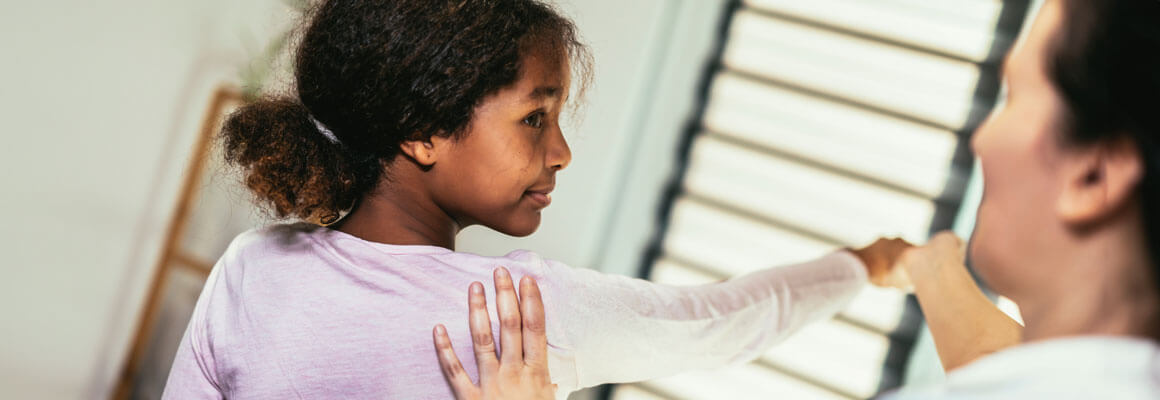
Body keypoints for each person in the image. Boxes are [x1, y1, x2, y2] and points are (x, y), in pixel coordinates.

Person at [161, 1, 916, 398]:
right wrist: (866, 264)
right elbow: (723, 324)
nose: (560, 153)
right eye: (534, 118)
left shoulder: (252, 268)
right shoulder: (514, 317)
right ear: (424, 130)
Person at [433, 0, 1160, 398]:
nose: (981, 140)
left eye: (1016, 97)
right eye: (535, 119)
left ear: (1095, 176)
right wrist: (916, 270)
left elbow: (713, 321)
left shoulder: (512, 315)